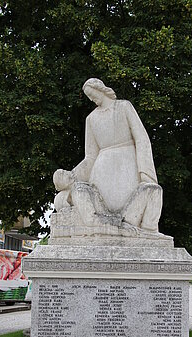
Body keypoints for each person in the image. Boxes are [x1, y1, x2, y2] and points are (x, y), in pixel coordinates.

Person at [53, 78, 162, 234]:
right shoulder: (90, 119)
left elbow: (141, 139)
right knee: (99, 205)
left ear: (100, 89)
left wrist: (145, 173)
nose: (92, 99)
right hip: (101, 171)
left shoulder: (124, 107)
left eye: (92, 94)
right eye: (89, 97)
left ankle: (144, 229)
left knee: (148, 193)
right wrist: (72, 177)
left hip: (127, 165)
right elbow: (90, 157)